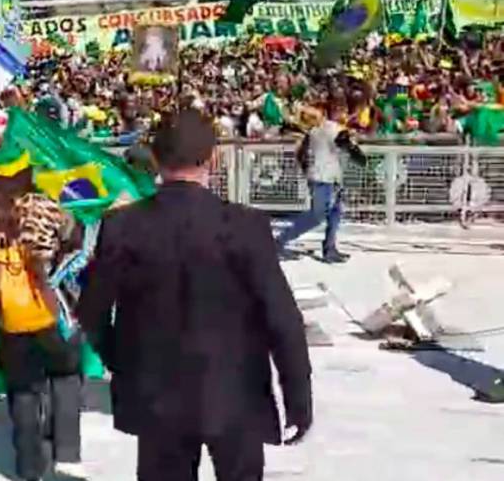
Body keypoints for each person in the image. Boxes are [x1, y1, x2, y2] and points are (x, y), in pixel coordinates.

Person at [77, 110, 313, 481]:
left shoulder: (123, 225)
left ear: (155, 158)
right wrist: (298, 396)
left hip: (157, 397)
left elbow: (91, 310)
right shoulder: (245, 226)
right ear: (214, 159)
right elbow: (282, 319)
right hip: (236, 395)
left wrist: (123, 360)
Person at [0, 145, 85, 481]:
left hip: (7, 320)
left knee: (23, 390)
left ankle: (29, 468)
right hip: (49, 313)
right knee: (65, 375)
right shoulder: (44, 206)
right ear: (24, 174)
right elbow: (74, 237)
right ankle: (68, 453)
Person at [276, 102, 366, 263]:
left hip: (328, 176)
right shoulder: (331, 129)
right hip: (324, 177)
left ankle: (329, 248)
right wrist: (358, 154)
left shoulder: (315, 131)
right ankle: (279, 242)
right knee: (316, 216)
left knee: (334, 213)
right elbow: (348, 147)